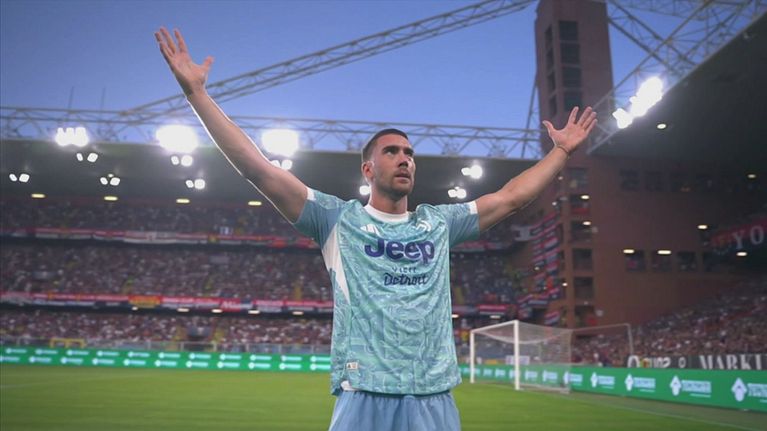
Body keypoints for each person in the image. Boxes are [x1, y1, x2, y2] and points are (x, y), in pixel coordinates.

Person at [155, 27, 597, 431]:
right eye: (392, 151)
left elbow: (511, 198)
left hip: (432, 395)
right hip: (364, 392)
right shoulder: (336, 219)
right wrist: (197, 94)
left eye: (409, 153)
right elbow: (259, 170)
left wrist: (560, 152)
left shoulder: (438, 223)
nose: (405, 158)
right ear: (368, 169)